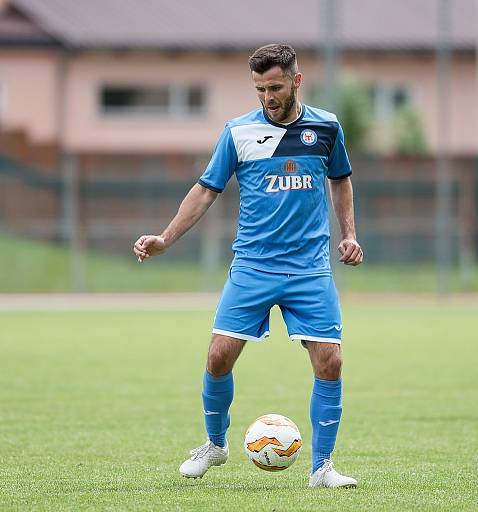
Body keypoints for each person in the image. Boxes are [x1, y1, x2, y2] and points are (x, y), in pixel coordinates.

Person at [133, 44, 363, 488]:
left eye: (275, 87)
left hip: (309, 268)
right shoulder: (238, 133)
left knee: (330, 362)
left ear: (296, 81)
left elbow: (341, 180)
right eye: (259, 89)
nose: (267, 96)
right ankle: (215, 445)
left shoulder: (327, 127)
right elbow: (204, 191)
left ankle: (323, 468)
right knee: (218, 356)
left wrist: (349, 234)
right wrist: (166, 239)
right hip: (253, 266)